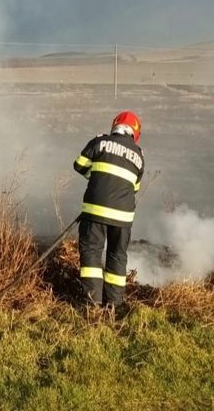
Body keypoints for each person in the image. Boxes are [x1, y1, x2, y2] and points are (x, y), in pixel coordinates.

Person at [73, 111, 144, 308]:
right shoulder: (139, 155)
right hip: (123, 217)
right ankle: (114, 304)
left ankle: (91, 304)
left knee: (92, 253)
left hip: (95, 211)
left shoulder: (100, 142)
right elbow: (134, 187)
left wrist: (97, 175)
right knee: (117, 257)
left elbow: (79, 165)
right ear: (134, 133)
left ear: (115, 126)